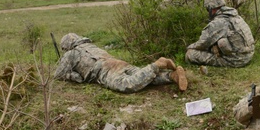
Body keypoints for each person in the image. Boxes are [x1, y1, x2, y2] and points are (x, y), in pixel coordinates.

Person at [54, 33, 187, 93]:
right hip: (117, 62)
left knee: (127, 85)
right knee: (142, 76)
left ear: (66, 46)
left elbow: (58, 74)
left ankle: (158, 64)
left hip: (103, 70)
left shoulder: (70, 54)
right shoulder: (90, 46)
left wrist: (75, 77)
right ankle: (172, 76)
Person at [185, 0, 255, 68]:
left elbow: (202, 43)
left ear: (211, 9)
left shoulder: (218, 22)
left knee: (190, 54)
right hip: (248, 56)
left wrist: (189, 47)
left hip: (236, 61)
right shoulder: (237, 17)